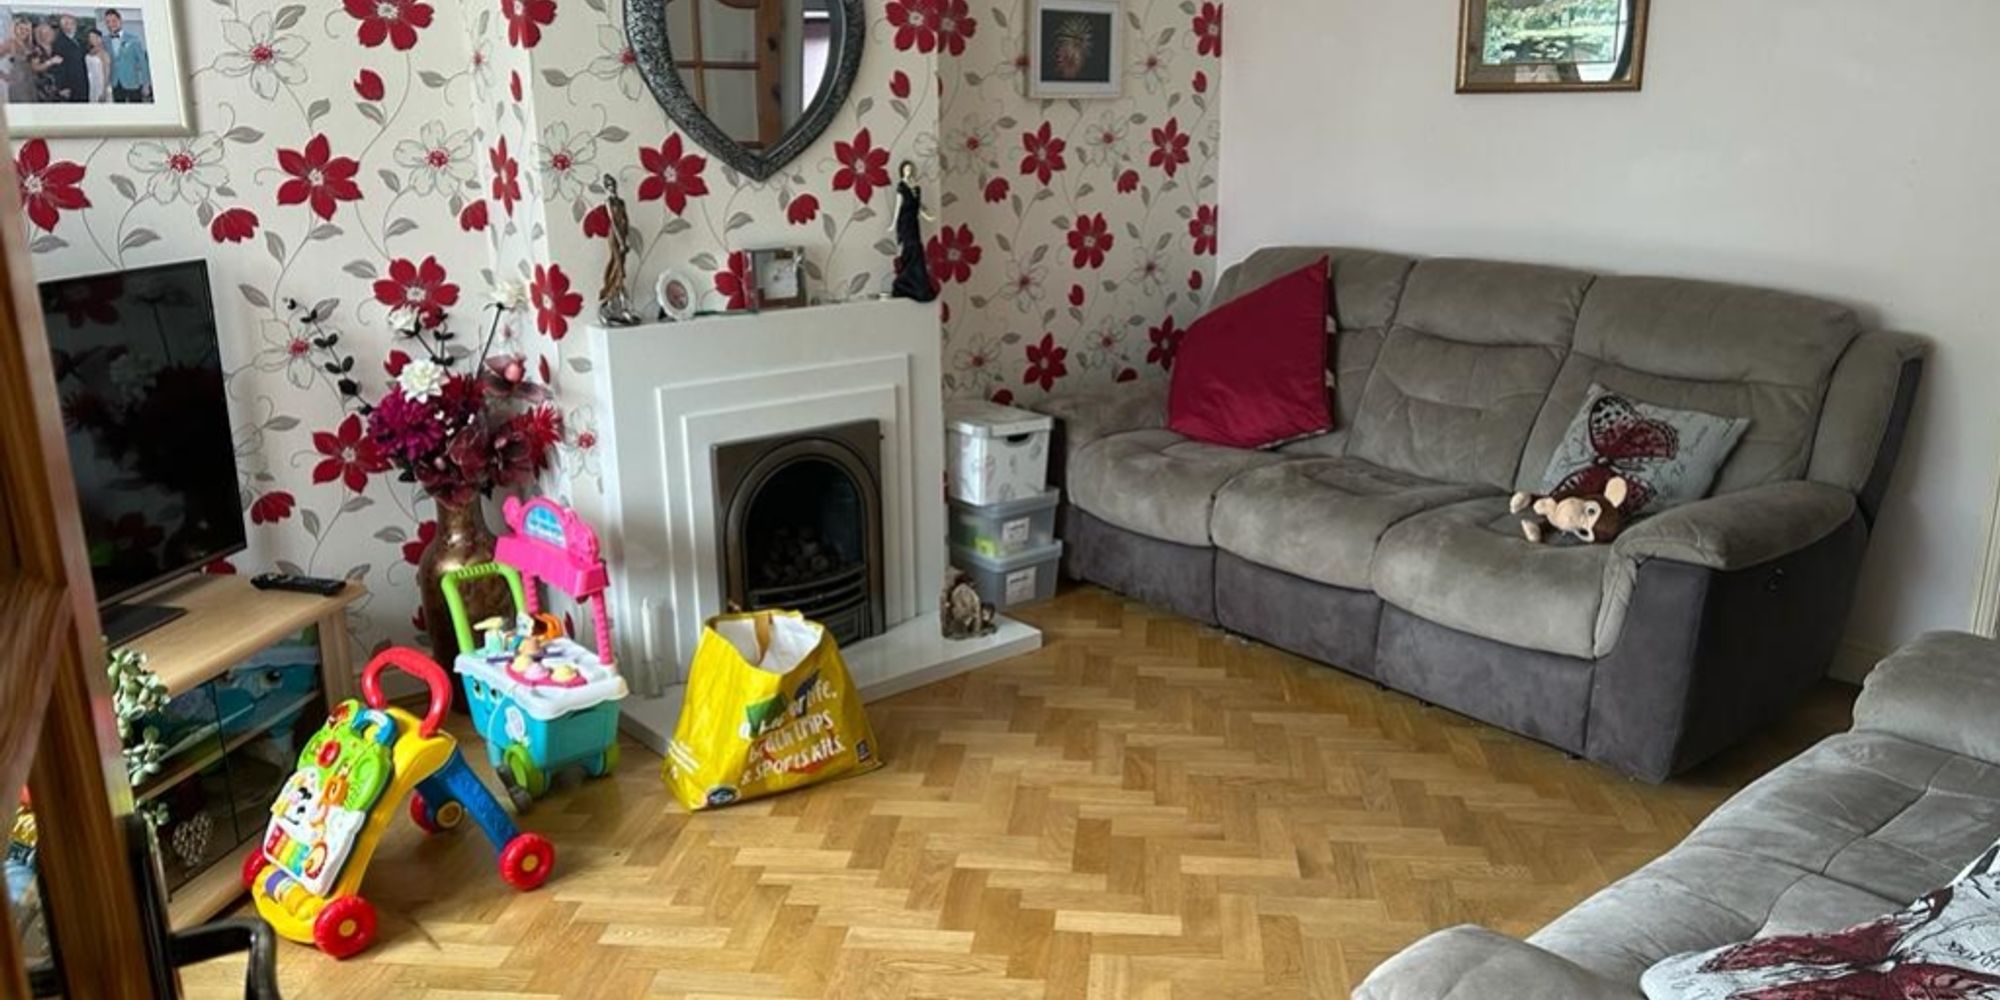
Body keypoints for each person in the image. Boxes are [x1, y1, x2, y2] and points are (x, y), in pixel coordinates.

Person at [889, 160, 937, 302]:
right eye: (906, 169)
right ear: (902, 171)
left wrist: (928, 216)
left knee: (917, 247)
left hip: (914, 222)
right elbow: (898, 207)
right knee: (911, 247)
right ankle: (907, 281)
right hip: (905, 221)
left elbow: (919, 206)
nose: (908, 171)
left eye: (910, 169)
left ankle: (916, 281)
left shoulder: (916, 187)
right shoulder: (902, 187)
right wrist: (893, 223)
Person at [102, 7, 144, 102]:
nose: (111, 24)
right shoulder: (104, 41)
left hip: (133, 83)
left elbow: (142, 62)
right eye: (108, 22)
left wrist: (146, 83)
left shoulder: (134, 39)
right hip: (115, 83)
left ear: (120, 21)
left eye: (114, 21)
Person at [0, 17, 34, 104]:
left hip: (30, 83)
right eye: (21, 28)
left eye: (26, 30)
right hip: (17, 86)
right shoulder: (10, 43)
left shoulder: (29, 45)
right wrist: (4, 76)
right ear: (15, 29)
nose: (23, 32)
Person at [51, 13, 84, 102]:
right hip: (70, 87)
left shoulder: (80, 41)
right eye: (66, 23)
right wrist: (62, 87)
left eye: (72, 23)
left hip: (82, 83)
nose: (70, 26)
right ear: (62, 27)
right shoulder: (58, 44)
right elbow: (58, 67)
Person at [29, 22, 65, 104]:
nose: (48, 35)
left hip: (59, 90)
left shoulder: (56, 47)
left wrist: (64, 87)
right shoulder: (36, 50)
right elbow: (35, 68)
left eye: (49, 32)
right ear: (39, 35)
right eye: (44, 33)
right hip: (44, 91)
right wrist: (50, 62)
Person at [84, 27, 106, 101]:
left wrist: (104, 91)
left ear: (99, 38)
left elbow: (106, 72)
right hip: (91, 83)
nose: (91, 39)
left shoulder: (103, 53)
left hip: (100, 83)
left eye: (93, 37)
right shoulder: (88, 51)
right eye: (90, 37)